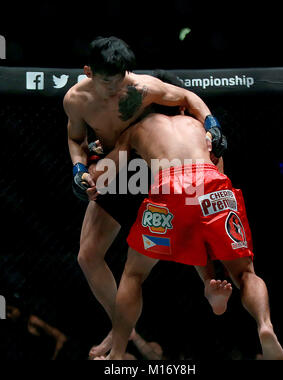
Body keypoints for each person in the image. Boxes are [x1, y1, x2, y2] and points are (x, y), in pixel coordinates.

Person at [63, 36, 223, 358]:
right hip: (118, 167)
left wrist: (211, 123)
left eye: (120, 79)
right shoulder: (75, 101)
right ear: (88, 72)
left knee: (153, 261)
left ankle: (122, 342)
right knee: (88, 256)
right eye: (108, 82)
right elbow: (75, 137)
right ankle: (123, 329)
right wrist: (78, 170)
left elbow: (189, 97)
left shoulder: (142, 88)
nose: (115, 89)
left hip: (151, 171)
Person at [91, 102, 283, 361]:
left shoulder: (137, 129)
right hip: (212, 185)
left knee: (134, 273)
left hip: (169, 188)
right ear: (181, 109)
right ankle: (264, 325)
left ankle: (116, 354)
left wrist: (88, 170)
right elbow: (217, 179)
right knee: (245, 272)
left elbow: (104, 171)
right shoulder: (201, 128)